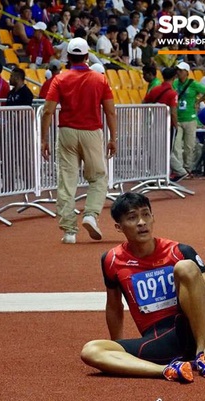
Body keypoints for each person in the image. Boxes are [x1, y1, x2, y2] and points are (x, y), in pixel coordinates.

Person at [80, 192, 205, 383]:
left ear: (153, 217)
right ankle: (168, 370)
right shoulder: (111, 260)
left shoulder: (179, 251)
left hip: (191, 330)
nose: (141, 222)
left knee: (186, 267)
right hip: (157, 342)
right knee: (90, 350)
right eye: (132, 217)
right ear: (119, 226)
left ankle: (201, 356)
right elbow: (114, 307)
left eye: (146, 214)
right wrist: (117, 345)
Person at [40, 37, 117, 245]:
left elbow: (48, 111)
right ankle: (91, 214)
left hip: (66, 131)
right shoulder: (99, 79)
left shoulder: (60, 79)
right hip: (92, 131)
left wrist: (43, 139)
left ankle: (69, 231)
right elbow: (110, 111)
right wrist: (113, 138)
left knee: (66, 181)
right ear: (86, 56)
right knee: (99, 177)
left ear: (68, 57)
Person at [171, 62, 205, 182]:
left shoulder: (193, 84)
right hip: (178, 118)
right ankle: (179, 170)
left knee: (189, 146)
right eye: (177, 70)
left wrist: (198, 101)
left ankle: (188, 169)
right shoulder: (175, 84)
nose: (178, 72)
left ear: (187, 72)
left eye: (181, 70)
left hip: (190, 118)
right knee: (177, 146)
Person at [143, 66, 178, 131]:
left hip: (155, 122)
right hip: (166, 124)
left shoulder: (154, 89)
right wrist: (176, 126)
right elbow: (173, 112)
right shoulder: (173, 93)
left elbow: (144, 102)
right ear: (174, 77)